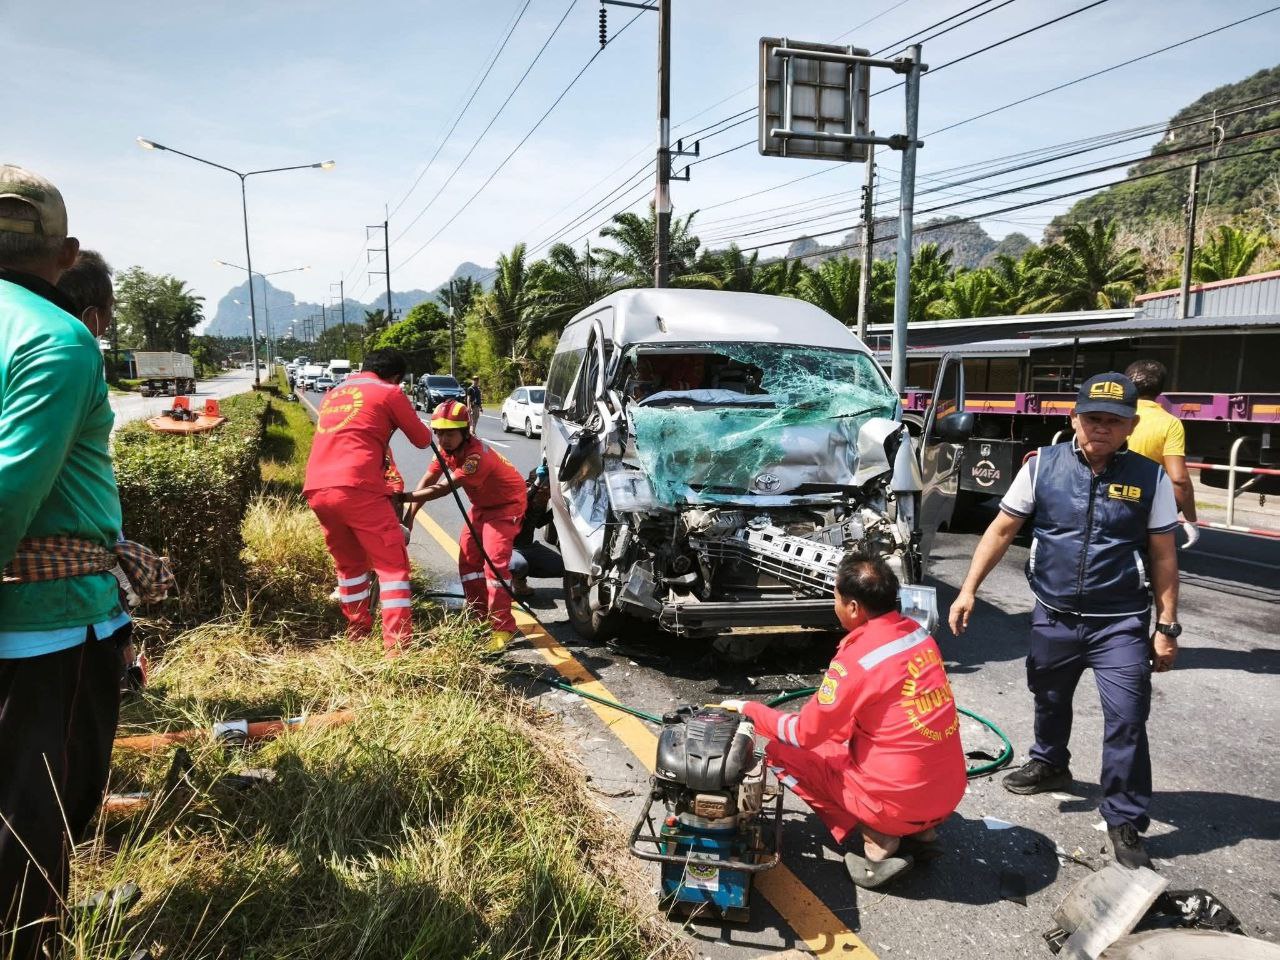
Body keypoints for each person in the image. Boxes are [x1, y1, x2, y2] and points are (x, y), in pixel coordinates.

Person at [949, 372, 1180, 870]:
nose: (1102, 427)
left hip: (1119, 622)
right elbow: (1001, 529)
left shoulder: (1151, 477)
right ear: (1074, 418)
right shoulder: (1041, 466)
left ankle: (1124, 816)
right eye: (1093, 417)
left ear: (1131, 426)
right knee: (1049, 695)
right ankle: (1051, 762)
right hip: (1054, 614)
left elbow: (1164, 555)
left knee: (1127, 718)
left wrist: (1166, 626)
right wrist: (968, 590)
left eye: (1114, 420)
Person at [0, 166, 130, 959]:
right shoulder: (56, 338)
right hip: (47, 626)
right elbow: (9, 492)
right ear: (66, 253)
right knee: (38, 809)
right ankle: (31, 940)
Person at [719, 552, 967, 890]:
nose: (833, 604)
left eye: (835, 597)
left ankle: (879, 840)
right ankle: (922, 833)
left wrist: (751, 710)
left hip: (896, 803)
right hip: (948, 793)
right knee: (870, 742)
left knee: (781, 753)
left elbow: (803, 734)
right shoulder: (918, 634)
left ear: (853, 607)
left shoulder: (858, 658)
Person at [303, 348, 433, 655]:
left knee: (350, 568)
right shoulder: (390, 392)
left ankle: (357, 634)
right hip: (358, 487)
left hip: (317, 488)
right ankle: (397, 649)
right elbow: (422, 439)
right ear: (396, 377)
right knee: (393, 567)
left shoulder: (334, 393)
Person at [403, 399, 526, 650]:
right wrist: (409, 518)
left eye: (449, 433)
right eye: (439, 433)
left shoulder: (475, 457)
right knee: (468, 560)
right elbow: (429, 479)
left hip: (506, 507)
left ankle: (502, 627)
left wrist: (404, 498)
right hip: (482, 506)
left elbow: (443, 488)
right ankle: (479, 617)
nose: (443, 439)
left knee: (494, 566)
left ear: (465, 431)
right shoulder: (446, 451)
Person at [1123, 360, 1199, 549]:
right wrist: (1191, 520)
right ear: (1161, 389)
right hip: (1144, 505)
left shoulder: (1114, 416)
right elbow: (1179, 479)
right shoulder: (1170, 423)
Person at [509, 461, 564, 596]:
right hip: (508, 549)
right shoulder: (518, 494)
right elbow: (524, 502)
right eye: (545, 488)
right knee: (518, 565)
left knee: (562, 567)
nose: (547, 493)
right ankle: (508, 583)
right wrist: (537, 483)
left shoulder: (540, 499)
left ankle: (519, 578)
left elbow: (538, 523)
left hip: (528, 547)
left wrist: (558, 509)